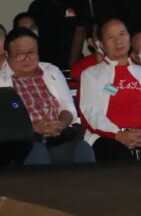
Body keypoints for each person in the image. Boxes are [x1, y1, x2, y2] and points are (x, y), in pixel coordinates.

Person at [79, 18, 141, 161]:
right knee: (119, 158)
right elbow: (90, 113)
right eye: (111, 37)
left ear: (129, 37)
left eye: (122, 34)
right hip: (106, 137)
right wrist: (118, 134)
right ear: (101, 45)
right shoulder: (91, 75)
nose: (118, 41)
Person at [0, 28, 94, 165]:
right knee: (38, 151)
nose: (27, 58)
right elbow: (6, 125)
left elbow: (67, 107)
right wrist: (35, 127)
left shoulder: (51, 71)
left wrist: (61, 123)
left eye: (31, 53)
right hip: (25, 141)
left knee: (83, 149)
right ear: (7, 54)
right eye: (20, 54)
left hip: (58, 136)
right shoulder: (1, 81)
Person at [28, 0, 92, 70]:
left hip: (72, 57)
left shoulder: (80, 1)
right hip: (44, 60)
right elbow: (31, 35)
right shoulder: (39, 4)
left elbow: (80, 33)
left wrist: (71, 67)